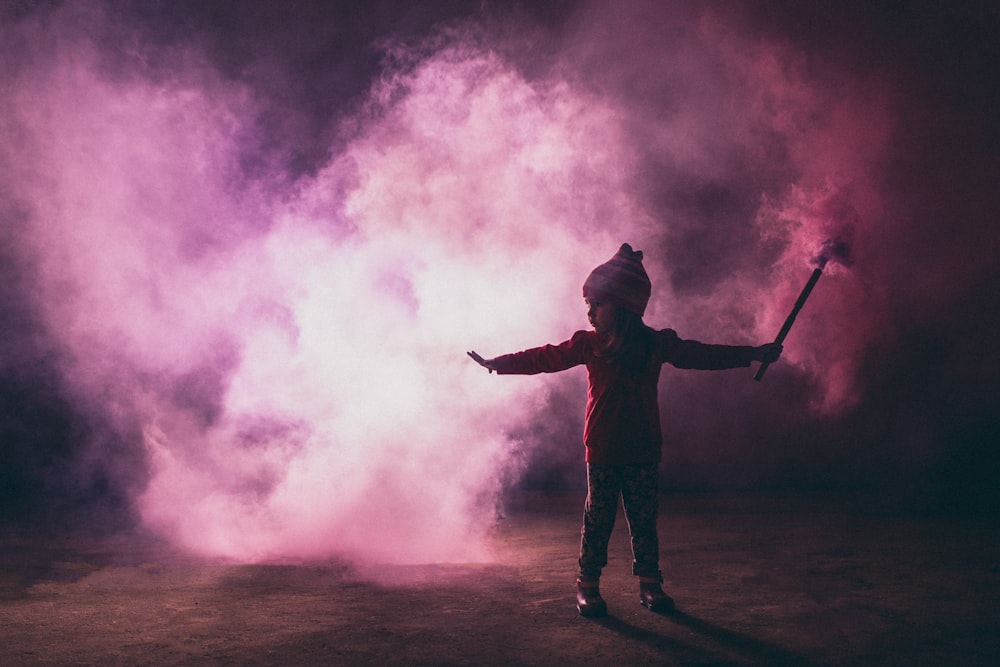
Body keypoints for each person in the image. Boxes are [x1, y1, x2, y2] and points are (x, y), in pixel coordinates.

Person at [468, 243, 782, 617]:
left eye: (596, 304)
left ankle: (650, 584)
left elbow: (703, 354)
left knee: (644, 519)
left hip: (643, 448)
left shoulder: (655, 343)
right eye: (589, 304)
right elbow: (544, 357)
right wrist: (498, 364)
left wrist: (752, 353)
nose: (589, 312)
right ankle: (587, 586)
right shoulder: (588, 344)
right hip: (602, 449)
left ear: (622, 307)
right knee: (598, 519)